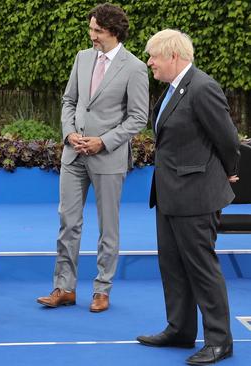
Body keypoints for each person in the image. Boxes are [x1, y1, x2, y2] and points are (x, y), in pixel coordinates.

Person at [36, 3, 148, 312]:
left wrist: (104, 141)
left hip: (108, 157)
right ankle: (64, 287)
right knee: (67, 222)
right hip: (73, 156)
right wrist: (69, 132)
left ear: (113, 32)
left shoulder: (135, 67)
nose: (91, 35)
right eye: (90, 29)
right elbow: (69, 100)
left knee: (107, 228)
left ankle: (102, 290)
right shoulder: (82, 58)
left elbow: (138, 118)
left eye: (97, 31)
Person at [136, 29, 239, 365]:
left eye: (153, 56)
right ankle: (180, 329)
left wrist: (225, 172)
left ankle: (220, 341)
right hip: (168, 194)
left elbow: (228, 140)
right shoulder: (171, 89)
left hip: (196, 196)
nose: (149, 61)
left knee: (201, 268)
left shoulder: (203, 87)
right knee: (173, 265)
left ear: (174, 56)